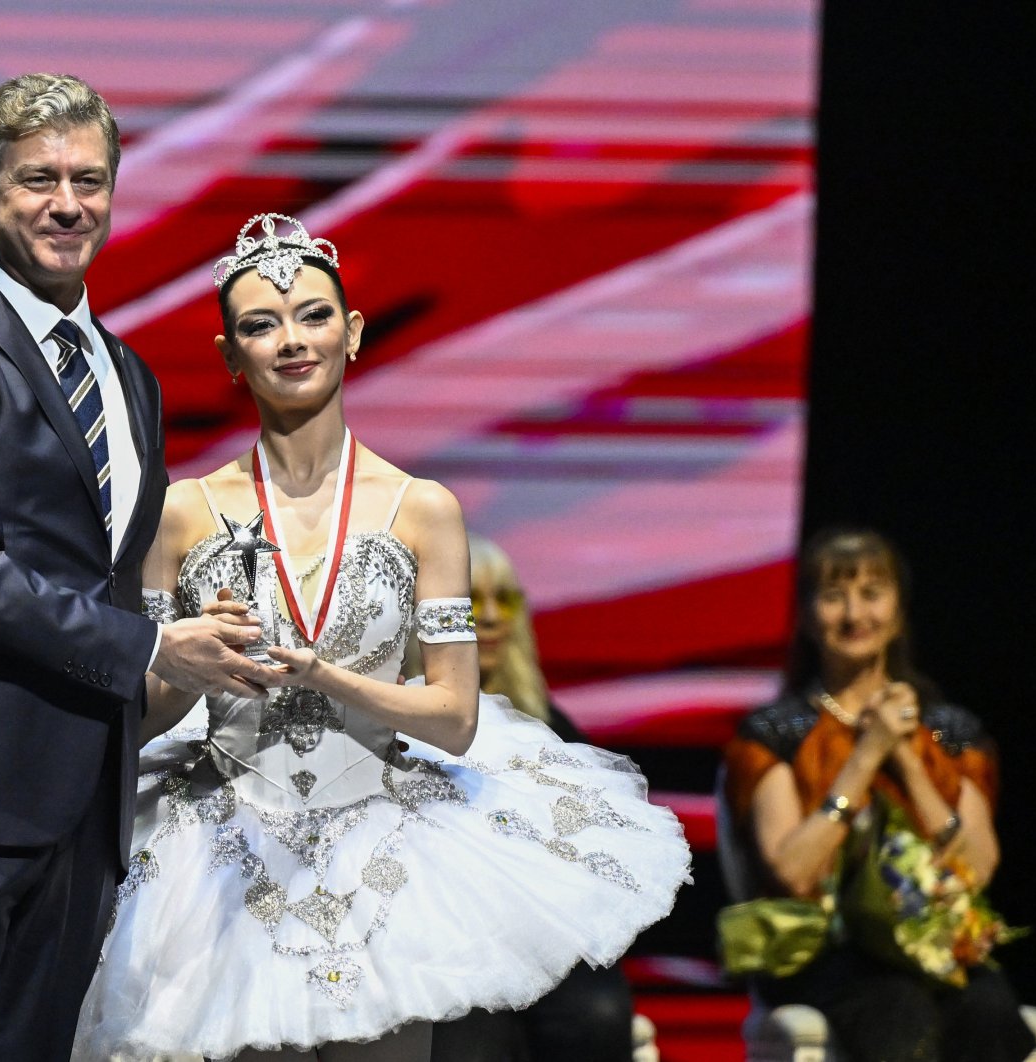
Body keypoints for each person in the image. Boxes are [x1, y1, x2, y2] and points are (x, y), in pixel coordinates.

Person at [74, 214, 690, 1061]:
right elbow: (130, 721)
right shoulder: (180, 514)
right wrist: (187, 664)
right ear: (228, 355)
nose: (291, 340)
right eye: (261, 324)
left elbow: (454, 718)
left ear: (354, 333)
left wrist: (330, 677)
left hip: (381, 844)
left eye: (313, 316)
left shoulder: (423, 511)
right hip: (218, 853)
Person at [0, 73, 277, 1062]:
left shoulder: (129, 376)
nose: (67, 203)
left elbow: (102, 574)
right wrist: (158, 644)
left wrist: (193, 629)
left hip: (82, 811)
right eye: (38, 179)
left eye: (89, 179)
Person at [720, 528, 1033, 1062]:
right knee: (897, 1009)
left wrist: (906, 759)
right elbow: (792, 871)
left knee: (990, 1010)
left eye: (871, 593)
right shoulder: (777, 733)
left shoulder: (951, 732)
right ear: (806, 615)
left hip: (932, 943)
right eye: (833, 595)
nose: (853, 613)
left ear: (898, 611)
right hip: (825, 951)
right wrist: (867, 755)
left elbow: (977, 868)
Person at [427, 536, 636, 1062]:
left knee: (600, 1015)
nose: (493, 617)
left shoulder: (553, 726)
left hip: (544, 943)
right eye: (473, 600)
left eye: (507, 600)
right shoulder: (405, 711)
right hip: (448, 948)